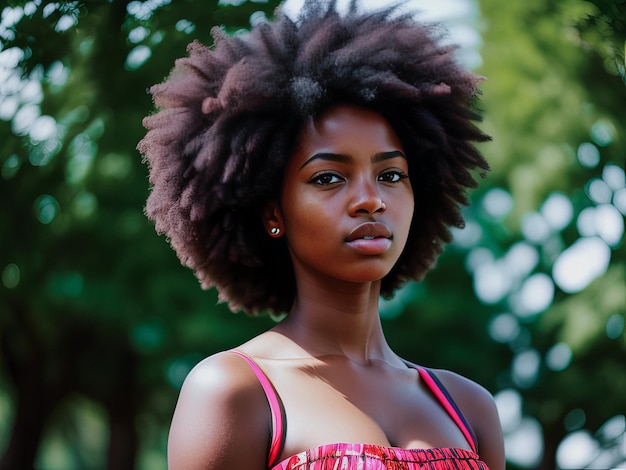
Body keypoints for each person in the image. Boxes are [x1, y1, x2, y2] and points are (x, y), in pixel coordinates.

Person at [138, 1, 505, 468]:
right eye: (328, 178)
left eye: (391, 175)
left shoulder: (471, 409)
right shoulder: (235, 392)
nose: (370, 199)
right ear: (274, 211)